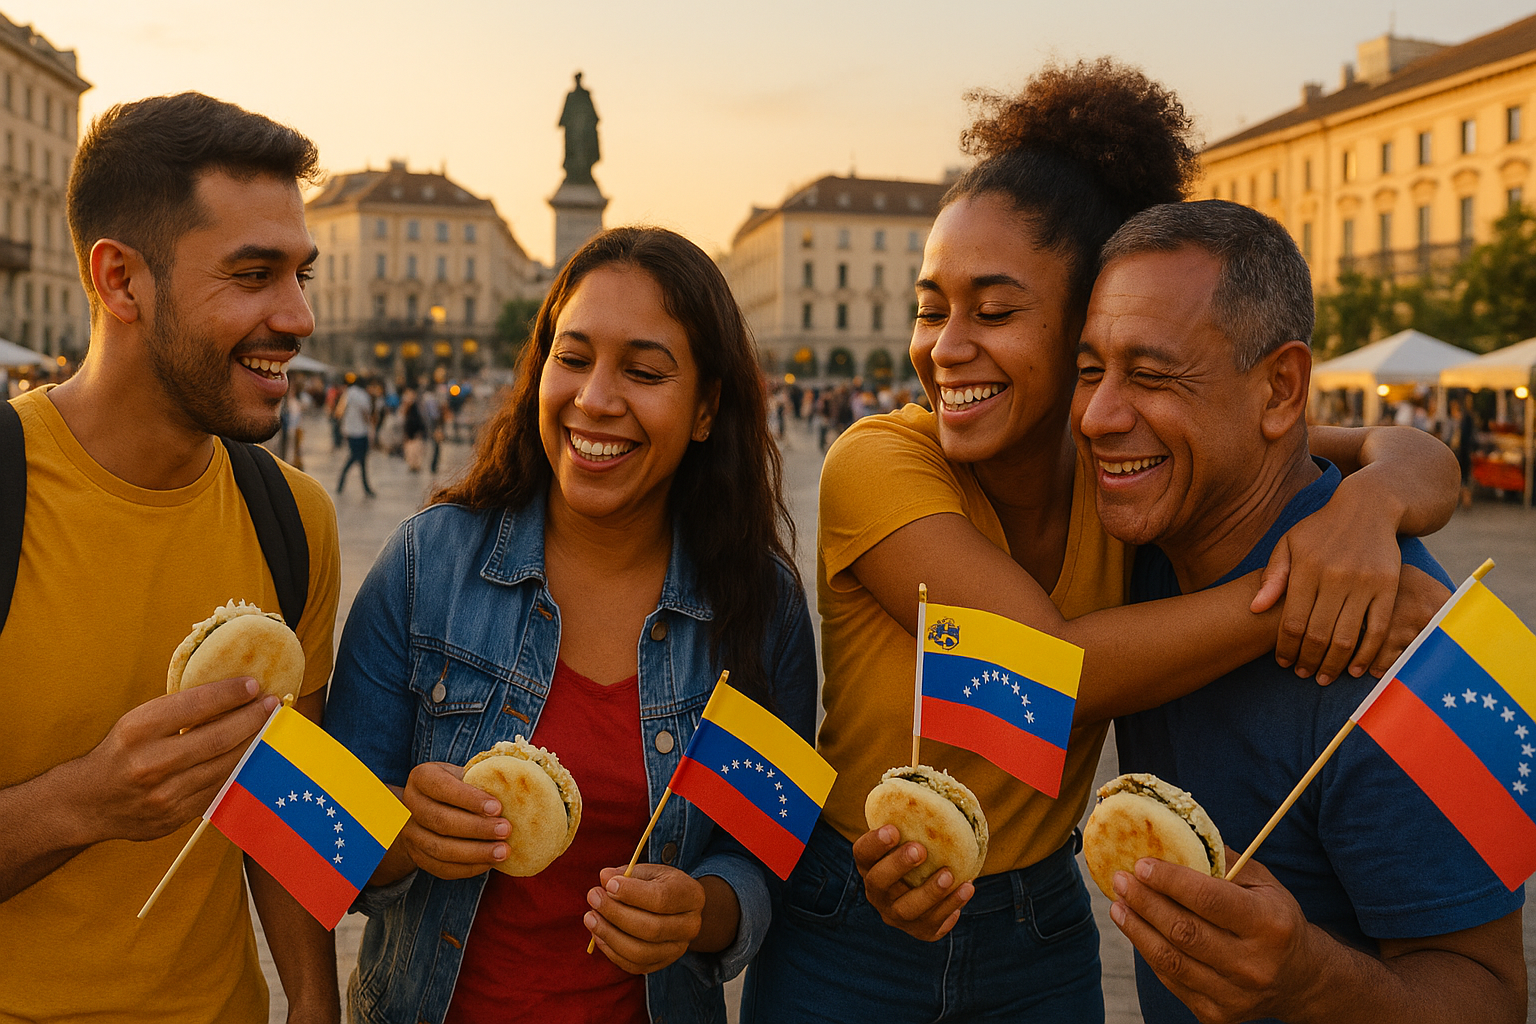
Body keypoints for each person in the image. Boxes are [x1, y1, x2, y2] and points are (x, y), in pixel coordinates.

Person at [743, 61, 1459, 1023]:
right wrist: (1303, 589)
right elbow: (1048, 675)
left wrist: (1370, 508)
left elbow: (1394, 448)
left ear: (1090, 322)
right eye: (930, 306)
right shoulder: (879, 460)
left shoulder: (1123, 470)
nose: (947, 346)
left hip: (1038, 921)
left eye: (995, 312)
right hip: (854, 909)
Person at [324, 226, 817, 1023]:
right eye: (573, 357)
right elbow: (325, 829)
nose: (595, 399)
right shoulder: (428, 564)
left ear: (706, 409)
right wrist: (406, 833)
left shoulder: (760, 607)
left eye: (646, 371)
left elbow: (766, 857)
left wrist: (702, 909)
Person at [1077, 200, 1526, 1024]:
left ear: (1281, 389)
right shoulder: (1145, 530)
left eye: (1150, 375)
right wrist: (1394, 474)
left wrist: (1312, 980)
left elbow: (1491, 992)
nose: (1098, 416)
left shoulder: (1398, 653)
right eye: (1089, 369)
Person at [0, 93, 342, 1022]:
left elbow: (284, 807)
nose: (299, 315)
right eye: (253, 274)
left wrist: (316, 1006)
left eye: (300, 274)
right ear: (120, 281)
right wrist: (89, 801)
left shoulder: (292, 519)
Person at [335, 373, 376, 496]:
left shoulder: (349, 393)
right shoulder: (363, 395)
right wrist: (370, 425)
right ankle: (360, 486)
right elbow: (365, 413)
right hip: (360, 431)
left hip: (350, 430)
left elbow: (340, 410)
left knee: (359, 459)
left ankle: (363, 486)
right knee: (356, 457)